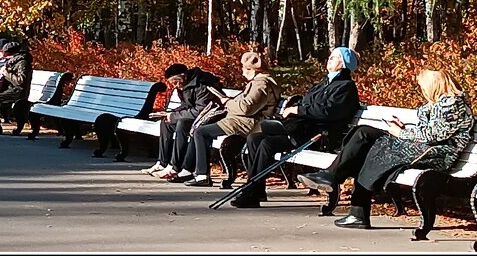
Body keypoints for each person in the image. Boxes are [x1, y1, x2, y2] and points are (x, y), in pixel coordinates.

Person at [297, 68, 474, 229]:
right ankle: (333, 179)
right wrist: (403, 129)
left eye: (423, 87)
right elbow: (429, 133)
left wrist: (399, 133)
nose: (422, 91)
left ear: (434, 85)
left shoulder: (451, 105)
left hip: (437, 155)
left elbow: (433, 136)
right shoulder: (440, 104)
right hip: (424, 147)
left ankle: (350, 201)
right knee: (363, 133)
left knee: (373, 148)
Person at [230, 46, 361, 208]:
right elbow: (308, 102)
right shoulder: (325, 82)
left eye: (333, 57)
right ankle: (256, 190)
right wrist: (296, 107)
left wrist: (298, 110)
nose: (329, 60)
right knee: (254, 137)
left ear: (342, 63)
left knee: (267, 143)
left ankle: (251, 192)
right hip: (302, 130)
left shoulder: (345, 87)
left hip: (319, 136)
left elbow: (328, 112)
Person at [182, 51, 280, 188]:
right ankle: (197, 172)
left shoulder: (261, 84)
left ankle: (202, 175)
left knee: (201, 132)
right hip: (240, 121)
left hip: (245, 123)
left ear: (251, 70)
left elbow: (246, 108)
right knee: (200, 129)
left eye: (243, 68)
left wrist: (227, 102)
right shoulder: (259, 82)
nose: (242, 71)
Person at [141, 63, 224, 181]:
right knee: (166, 123)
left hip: (208, 116)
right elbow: (187, 105)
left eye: (175, 82)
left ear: (183, 75)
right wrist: (168, 113)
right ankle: (162, 162)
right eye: (172, 83)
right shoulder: (184, 84)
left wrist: (174, 116)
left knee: (182, 124)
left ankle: (174, 167)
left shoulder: (203, 83)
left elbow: (201, 109)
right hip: (196, 115)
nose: (175, 86)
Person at [0, 40, 33, 135]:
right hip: (11, 90)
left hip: (18, 92)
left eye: (6, 53)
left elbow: (20, 81)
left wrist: (6, 73)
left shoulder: (22, 62)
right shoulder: (14, 61)